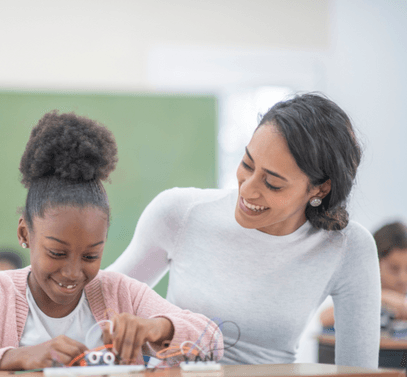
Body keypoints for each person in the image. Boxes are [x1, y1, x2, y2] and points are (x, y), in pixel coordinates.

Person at [0, 111, 223, 377]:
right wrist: (20, 357)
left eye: (90, 255)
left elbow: (212, 341)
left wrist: (159, 327)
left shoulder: (120, 293)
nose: (73, 272)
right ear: (24, 234)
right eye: (57, 252)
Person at [107, 93, 381, 368]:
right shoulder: (180, 212)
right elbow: (100, 297)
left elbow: (359, 371)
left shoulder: (348, 247)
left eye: (272, 183)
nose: (247, 189)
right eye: (247, 164)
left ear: (319, 188)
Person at [320, 221, 407, 328]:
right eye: (394, 269)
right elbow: (324, 318)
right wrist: (381, 298)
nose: (403, 278)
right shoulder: (361, 292)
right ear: (375, 264)